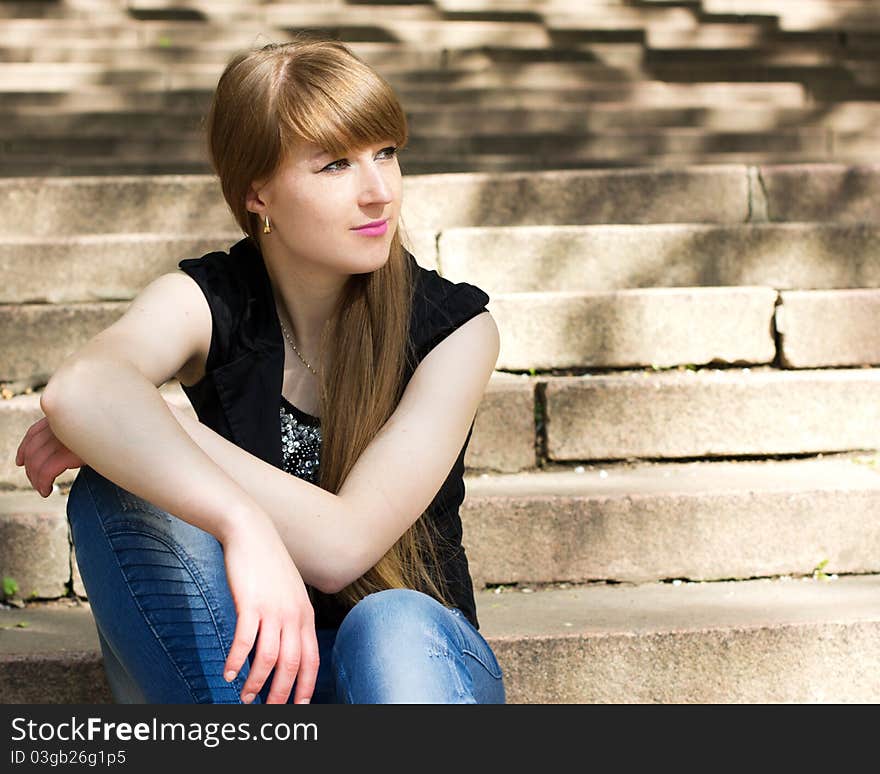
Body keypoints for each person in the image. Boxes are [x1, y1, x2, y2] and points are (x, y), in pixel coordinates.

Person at [14, 37, 505, 704]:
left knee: (387, 621)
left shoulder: (453, 328)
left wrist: (161, 429)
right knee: (116, 489)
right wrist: (239, 524)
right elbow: (80, 390)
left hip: (415, 670)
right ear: (259, 194)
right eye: (335, 164)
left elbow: (342, 547)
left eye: (385, 153)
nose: (378, 192)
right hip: (248, 668)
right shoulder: (212, 300)